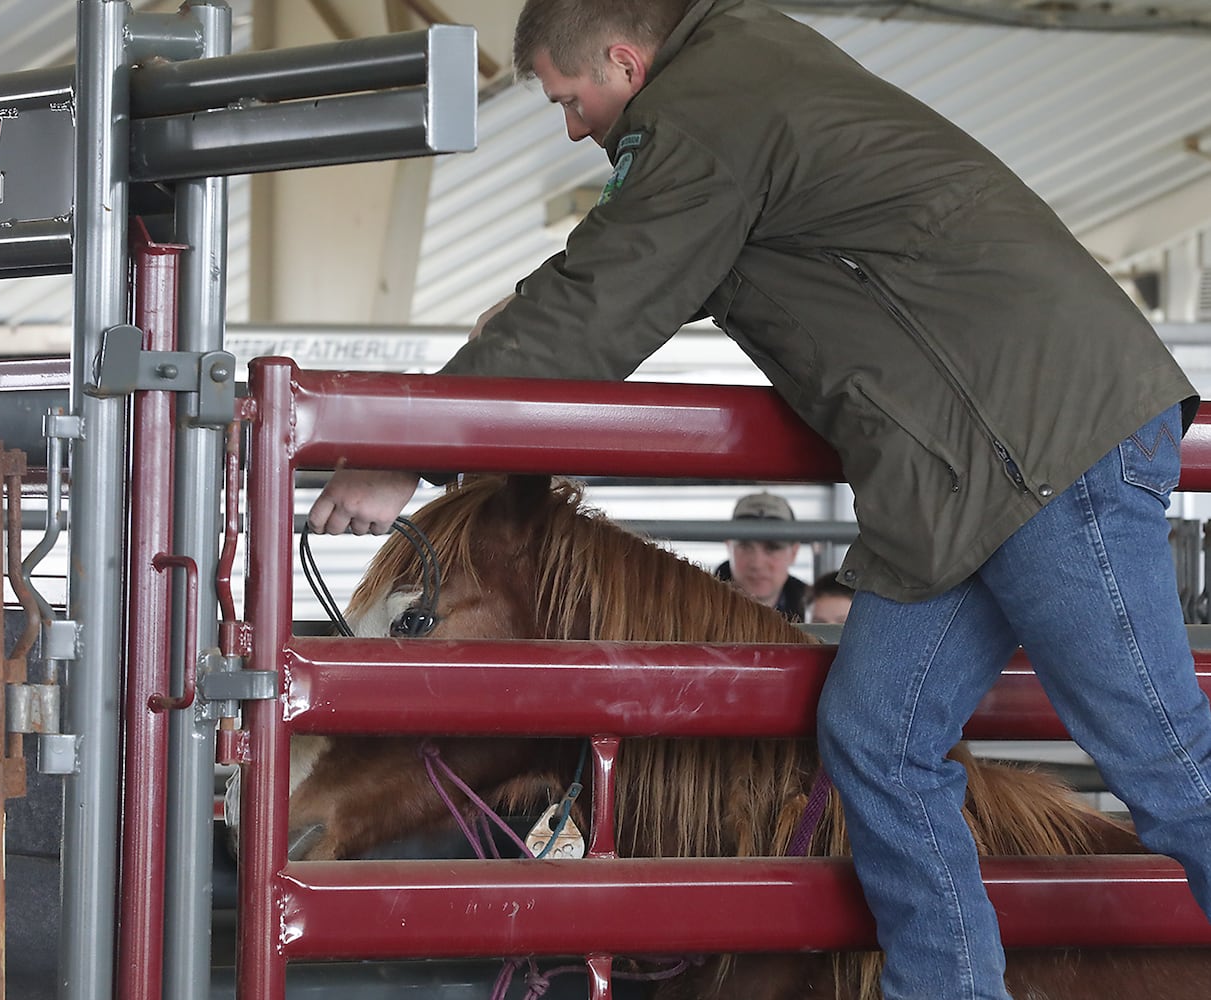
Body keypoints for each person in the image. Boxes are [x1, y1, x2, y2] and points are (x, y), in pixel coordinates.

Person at [307, 2, 1211, 997]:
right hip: (960, 475)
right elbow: (626, 265)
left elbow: (612, 290)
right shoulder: (731, 88)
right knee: (876, 744)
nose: (570, 126)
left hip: (1039, 445)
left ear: (622, 58)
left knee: (1165, 762)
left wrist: (405, 446)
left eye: (570, 100)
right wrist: (523, 319)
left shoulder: (706, 108)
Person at [714, 491, 807, 620]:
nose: (757, 563)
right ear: (728, 546)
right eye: (745, 546)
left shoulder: (815, 608)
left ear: (794, 552)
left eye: (772, 548)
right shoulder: (699, 602)